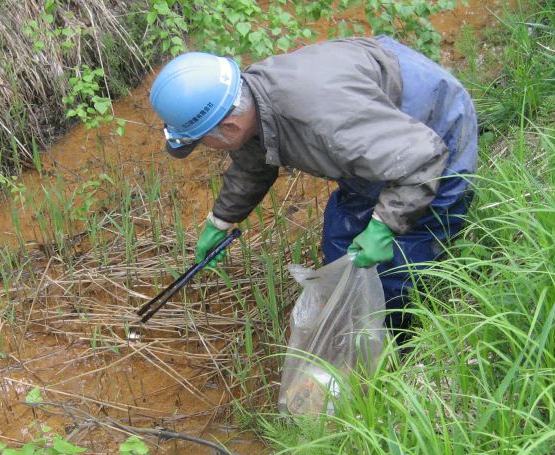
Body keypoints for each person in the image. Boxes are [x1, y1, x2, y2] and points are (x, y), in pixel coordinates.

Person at [148, 36, 477, 339]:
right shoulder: (249, 100)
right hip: (376, 136)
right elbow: (254, 160)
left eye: (202, 141)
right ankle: (359, 325)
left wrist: (385, 226)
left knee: (400, 265)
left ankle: (401, 347)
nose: (208, 148)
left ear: (229, 127)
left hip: (431, 126)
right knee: (340, 241)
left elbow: (422, 157)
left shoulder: (324, 120)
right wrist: (220, 221)